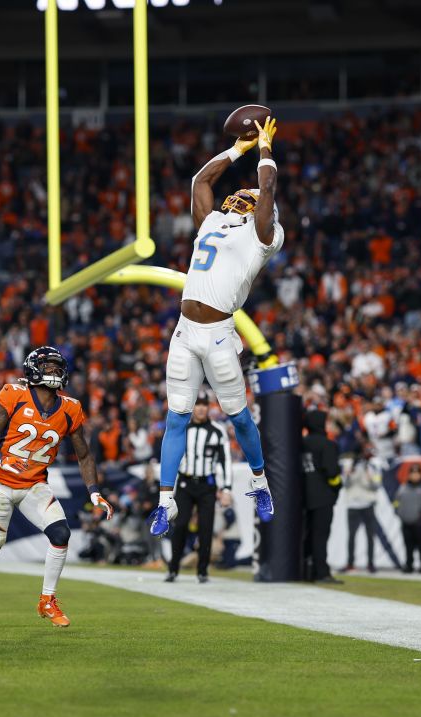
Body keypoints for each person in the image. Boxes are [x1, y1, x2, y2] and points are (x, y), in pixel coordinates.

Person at [150, 115, 283, 537]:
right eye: (241, 194)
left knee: (239, 418)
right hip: (186, 331)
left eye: (249, 197)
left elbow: (267, 193)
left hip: (222, 334)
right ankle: (164, 504)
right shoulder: (213, 222)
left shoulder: (262, 236)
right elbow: (199, 182)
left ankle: (260, 484)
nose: (239, 198)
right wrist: (237, 150)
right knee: (176, 418)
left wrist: (265, 148)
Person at [0, 346, 113, 632]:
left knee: (61, 534)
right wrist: (1, 459)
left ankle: (47, 599)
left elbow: (84, 455)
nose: (55, 372)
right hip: (1, 483)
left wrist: (94, 491)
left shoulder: (70, 408)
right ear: (34, 369)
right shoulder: (15, 395)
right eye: (48, 367)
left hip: (34, 485)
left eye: (57, 367)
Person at [165, 394, 231, 584]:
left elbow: (225, 461)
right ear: (192, 408)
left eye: (204, 405)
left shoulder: (218, 431)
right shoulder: (183, 429)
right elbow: (170, 455)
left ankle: (202, 571)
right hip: (186, 483)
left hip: (207, 485)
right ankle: (173, 569)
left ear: (208, 408)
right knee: (181, 525)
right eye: (198, 405)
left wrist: (226, 489)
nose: (201, 409)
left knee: (206, 528)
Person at [300, 409, 342, 584]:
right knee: (321, 535)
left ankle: (305, 571)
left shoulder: (300, 443)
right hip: (323, 497)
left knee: (306, 536)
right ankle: (322, 573)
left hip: (302, 496)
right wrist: (337, 487)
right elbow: (331, 472)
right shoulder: (327, 444)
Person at [341, 445, 382, 574]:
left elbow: (376, 486)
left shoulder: (373, 466)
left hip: (368, 504)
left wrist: (369, 476)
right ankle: (350, 563)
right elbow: (346, 485)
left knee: (370, 536)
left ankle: (371, 563)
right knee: (351, 536)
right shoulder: (349, 466)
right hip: (353, 504)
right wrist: (348, 474)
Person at [394, 463, 421, 574]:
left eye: (417, 473)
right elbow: (396, 501)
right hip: (406, 521)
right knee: (408, 545)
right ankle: (409, 565)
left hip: (420, 522)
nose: (415, 476)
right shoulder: (403, 487)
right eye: (412, 473)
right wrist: (398, 512)